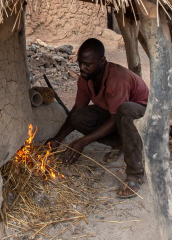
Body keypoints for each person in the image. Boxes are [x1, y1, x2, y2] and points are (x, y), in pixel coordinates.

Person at [47, 38, 149, 198]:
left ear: (102, 61)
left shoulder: (117, 79)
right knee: (79, 117)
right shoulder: (86, 78)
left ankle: (135, 174)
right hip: (116, 114)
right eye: (80, 63)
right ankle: (120, 143)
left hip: (142, 118)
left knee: (125, 110)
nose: (82, 68)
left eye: (87, 64)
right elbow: (77, 110)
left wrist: (83, 141)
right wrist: (58, 139)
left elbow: (117, 118)